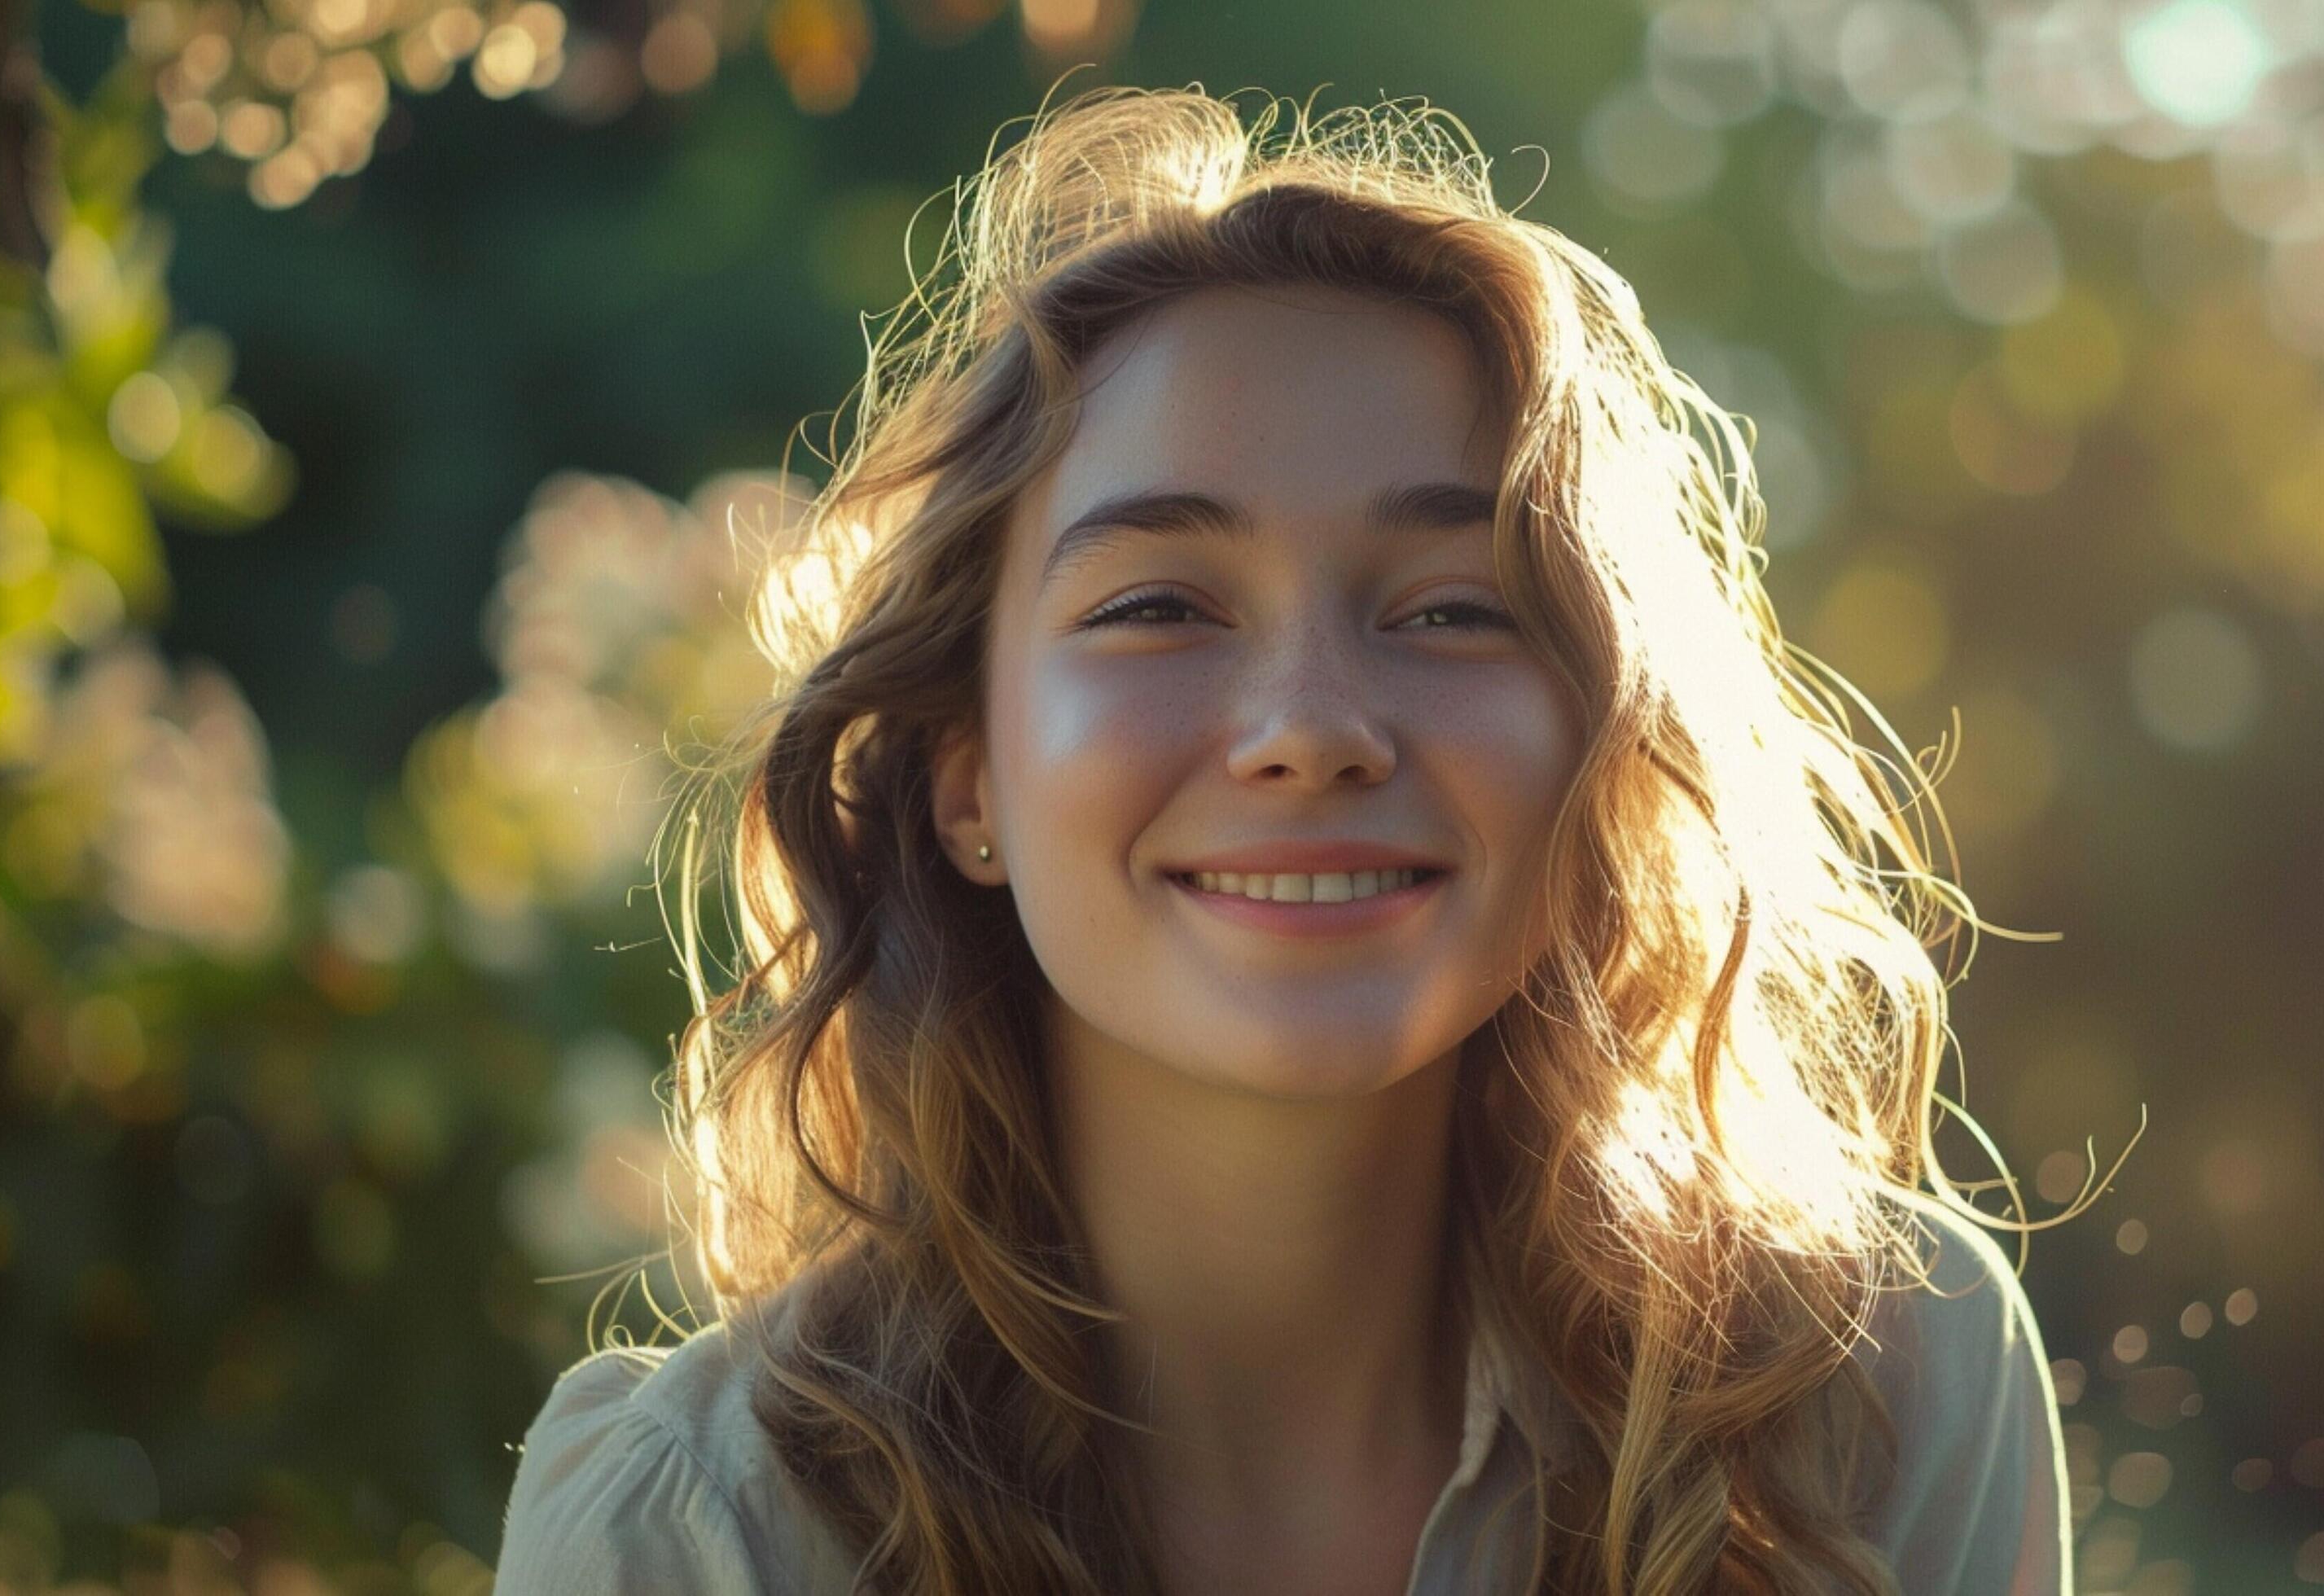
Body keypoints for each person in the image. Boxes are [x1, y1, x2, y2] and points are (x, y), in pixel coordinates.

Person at [492, 84, 2073, 1595]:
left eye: (1452, 607)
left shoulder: (1876, 1396)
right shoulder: (698, 1526)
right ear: (965, 779)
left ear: (1596, 741)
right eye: (1160, 605)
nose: (1311, 725)